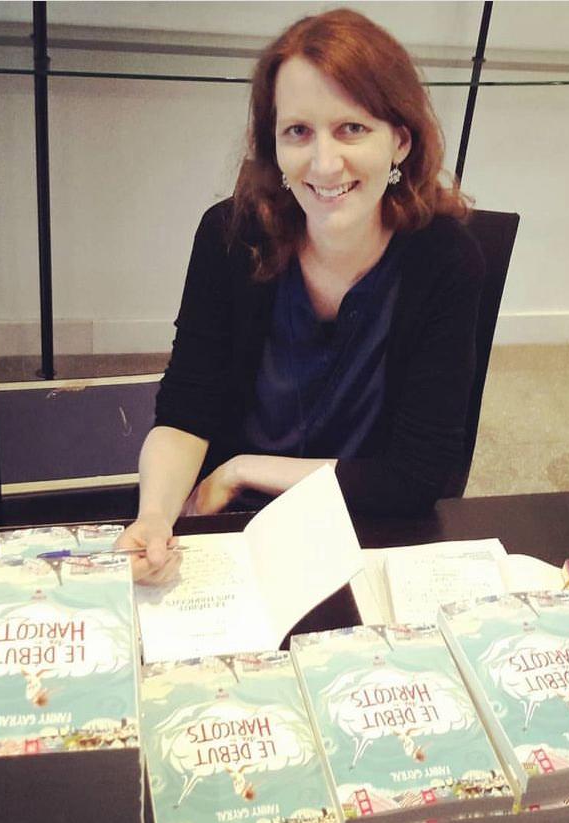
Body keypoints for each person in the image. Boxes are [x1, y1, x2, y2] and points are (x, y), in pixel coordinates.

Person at [119, 9, 485, 584]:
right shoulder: (229, 235)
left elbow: (418, 476)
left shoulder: (445, 259)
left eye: (352, 128)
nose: (324, 163)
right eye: (298, 131)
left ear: (400, 140)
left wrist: (243, 469)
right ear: (274, 145)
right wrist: (156, 516)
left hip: (369, 526)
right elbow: (187, 410)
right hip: (236, 525)